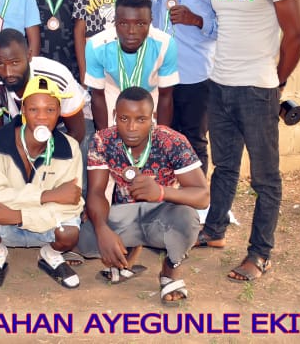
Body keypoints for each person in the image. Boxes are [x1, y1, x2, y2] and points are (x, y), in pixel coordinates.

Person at [196, 0, 300, 282]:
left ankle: (260, 253)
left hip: (258, 89)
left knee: (265, 178)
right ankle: (214, 231)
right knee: (224, 167)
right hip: (219, 85)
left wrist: (279, 81)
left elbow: (296, 33)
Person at [77, 87, 208, 305]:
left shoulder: (171, 141)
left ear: (152, 118)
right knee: (86, 239)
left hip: (164, 213)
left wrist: (161, 192)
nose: (131, 127)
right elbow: (96, 192)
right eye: (124, 118)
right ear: (114, 116)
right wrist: (102, 230)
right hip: (125, 212)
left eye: (141, 119)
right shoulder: (102, 140)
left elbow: (203, 196)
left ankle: (170, 268)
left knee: (188, 220)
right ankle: (129, 250)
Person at [0, 76, 84, 290]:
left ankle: (50, 254)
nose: (42, 117)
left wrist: (20, 216)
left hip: (40, 225)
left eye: (50, 110)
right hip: (6, 224)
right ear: (23, 110)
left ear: (59, 112)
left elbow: (71, 204)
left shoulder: (70, 147)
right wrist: (45, 196)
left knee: (69, 234)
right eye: (34, 109)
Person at [151, 0, 216, 174]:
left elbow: (228, 27)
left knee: (194, 141)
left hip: (196, 75)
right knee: (167, 137)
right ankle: (174, 193)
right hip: (166, 72)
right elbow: (159, 19)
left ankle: (197, 196)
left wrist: (197, 20)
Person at [84, 0, 179, 130]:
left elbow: (166, 96)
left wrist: (161, 135)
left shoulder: (165, 44)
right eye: (123, 23)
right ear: (115, 22)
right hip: (113, 96)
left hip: (151, 97)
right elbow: (97, 96)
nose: (131, 31)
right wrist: (104, 136)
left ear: (150, 22)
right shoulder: (96, 46)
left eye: (140, 24)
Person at [0, 28, 86, 143]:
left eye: (15, 63)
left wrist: (48, 153)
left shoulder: (57, 77)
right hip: (15, 125)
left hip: (60, 126)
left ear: (29, 56)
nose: (8, 73)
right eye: (0, 64)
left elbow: (77, 132)